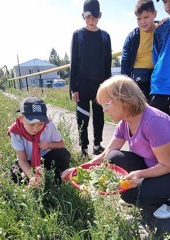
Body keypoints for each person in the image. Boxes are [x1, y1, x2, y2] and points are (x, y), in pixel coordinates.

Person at [63, 75, 170, 218]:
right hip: (152, 165)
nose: (104, 111)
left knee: (130, 194)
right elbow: (107, 153)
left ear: (123, 99)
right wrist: (78, 170)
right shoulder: (124, 123)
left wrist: (139, 175)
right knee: (113, 158)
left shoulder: (154, 122)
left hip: (166, 170)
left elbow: (166, 165)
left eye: (106, 105)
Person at [70, 0, 112, 157]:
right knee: (82, 117)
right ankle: (83, 148)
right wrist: (73, 88)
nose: (91, 21)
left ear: (100, 15)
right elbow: (73, 63)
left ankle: (97, 145)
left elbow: (107, 65)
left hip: (100, 87)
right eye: (88, 17)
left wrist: (108, 89)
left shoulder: (105, 37)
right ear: (83, 16)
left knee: (99, 117)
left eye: (94, 17)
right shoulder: (78, 35)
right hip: (82, 86)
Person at [8, 96, 71, 187]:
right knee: (15, 173)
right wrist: (32, 177)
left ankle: (59, 183)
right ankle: (32, 187)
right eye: (31, 124)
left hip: (45, 159)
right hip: (28, 162)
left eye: (40, 124)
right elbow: (22, 160)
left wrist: (49, 145)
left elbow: (61, 144)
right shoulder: (15, 131)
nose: (35, 128)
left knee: (63, 154)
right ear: (21, 118)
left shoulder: (48, 125)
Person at [121, 0, 157, 101]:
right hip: (138, 76)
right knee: (140, 108)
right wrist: (126, 82)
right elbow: (124, 59)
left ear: (155, 14)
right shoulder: (133, 36)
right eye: (139, 19)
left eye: (146, 17)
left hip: (156, 74)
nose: (142, 22)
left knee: (157, 109)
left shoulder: (161, 29)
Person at [149, 0, 170, 115]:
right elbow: (156, 58)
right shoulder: (161, 29)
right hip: (160, 88)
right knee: (157, 130)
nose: (168, 6)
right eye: (165, 1)